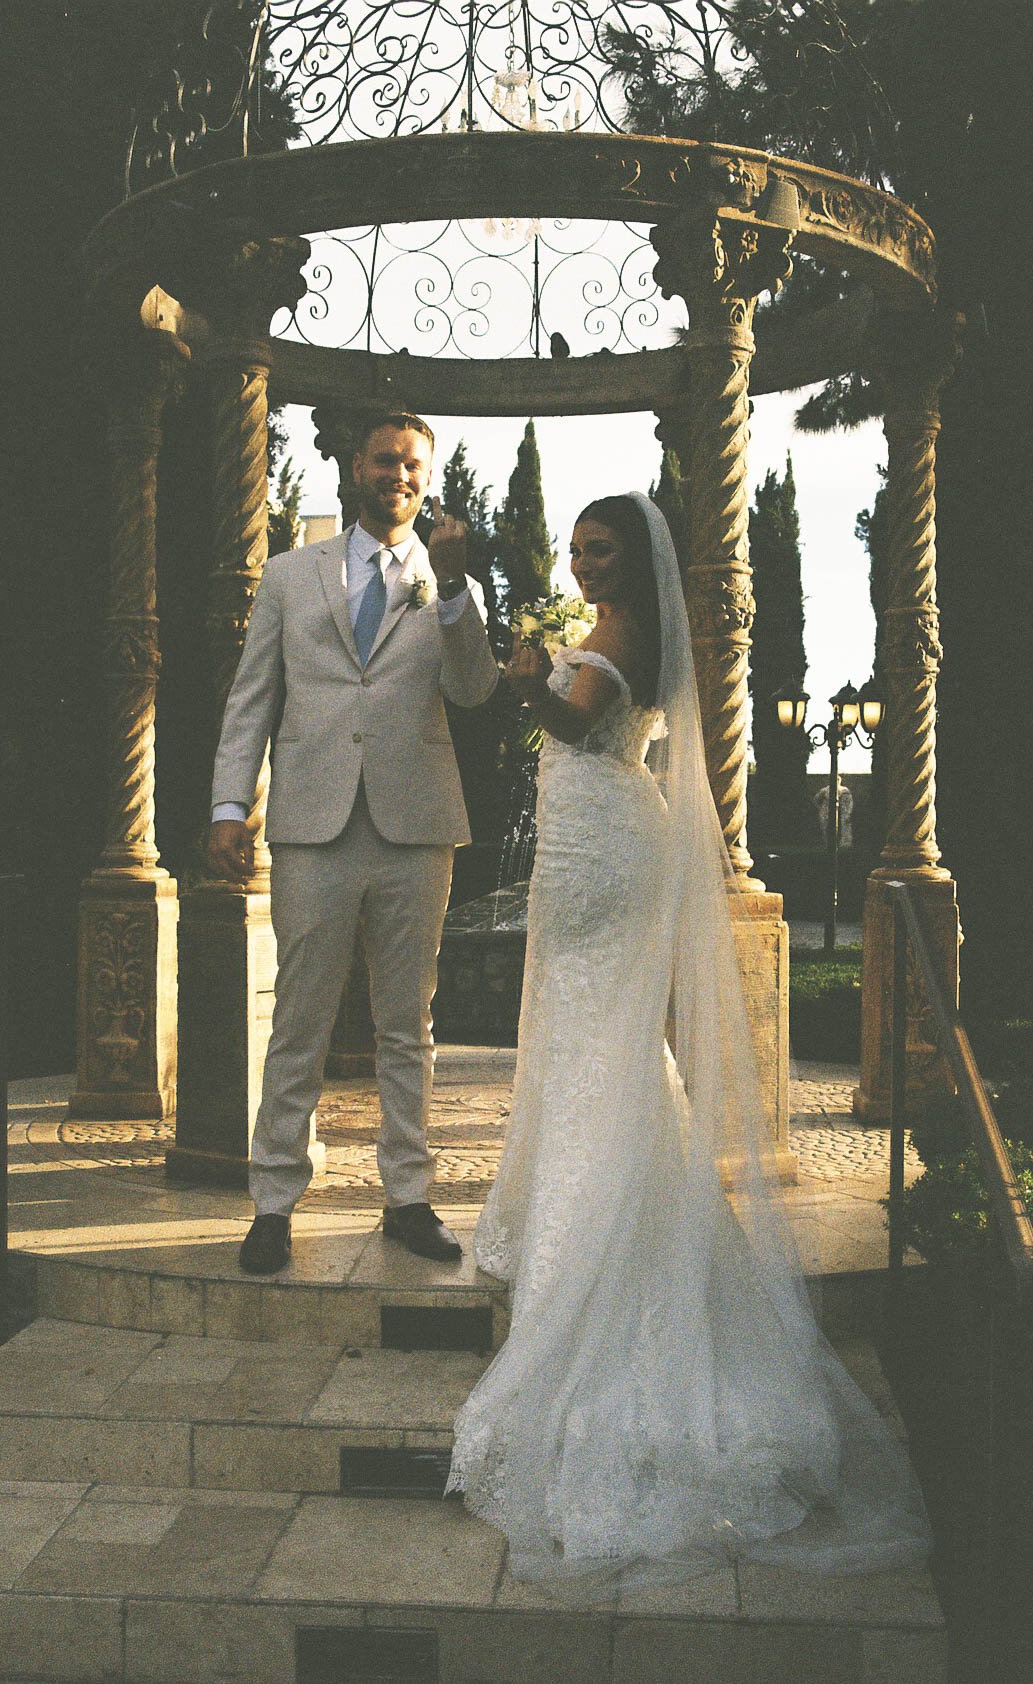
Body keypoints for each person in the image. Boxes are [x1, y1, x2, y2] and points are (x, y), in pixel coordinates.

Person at [447, 492, 931, 1590]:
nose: (583, 560)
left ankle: (600, 1242)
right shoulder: (625, 627)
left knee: (598, 1047)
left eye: (599, 546)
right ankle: (604, 1207)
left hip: (604, 846)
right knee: (597, 1050)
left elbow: (573, 725)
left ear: (635, 557)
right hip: (594, 838)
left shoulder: (619, 632)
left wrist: (531, 677)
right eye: (575, 546)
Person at [209, 412, 499, 1275]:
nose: (398, 475)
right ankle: (271, 1203)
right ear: (355, 469)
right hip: (311, 825)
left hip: (416, 828)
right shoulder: (291, 576)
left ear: (427, 477)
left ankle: (408, 1197)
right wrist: (230, 804)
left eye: (413, 464)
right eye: (385, 460)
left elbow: (474, 689)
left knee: (409, 1025)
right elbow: (251, 698)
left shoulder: (451, 585)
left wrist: (450, 592)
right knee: (298, 1019)